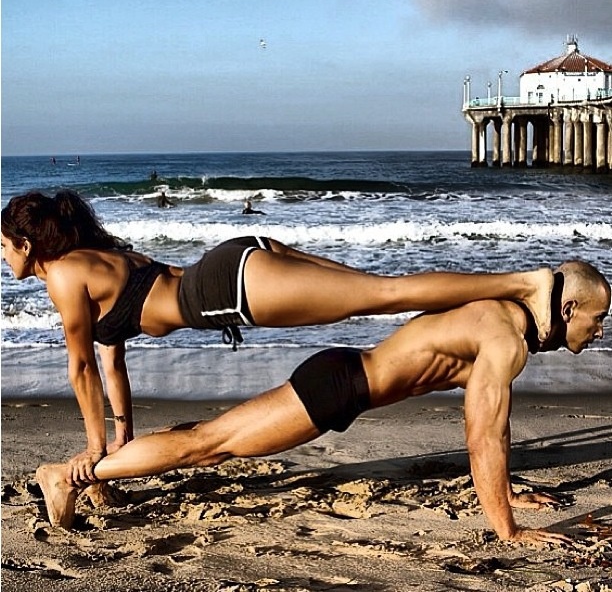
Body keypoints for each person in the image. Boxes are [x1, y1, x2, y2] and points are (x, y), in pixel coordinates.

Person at [2, 190, 555, 486]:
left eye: (4, 246)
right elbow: (110, 363)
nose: (4, 257)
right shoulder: (94, 260)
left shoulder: (66, 276)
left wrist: (95, 449)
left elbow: (80, 370)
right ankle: (489, 307)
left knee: (385, 293)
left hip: (230, 289)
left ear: (26, 245)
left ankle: (523, 282)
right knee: (379, 291)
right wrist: (118, 434)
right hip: (237, 262)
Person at [36, 260, 611, 541]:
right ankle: (69, 476)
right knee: (207, 446)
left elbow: (493, 432)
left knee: (211, 440)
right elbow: (484, 435)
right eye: (599, 317)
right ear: (566, 310)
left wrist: (509, 488)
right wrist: (506, 527)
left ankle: (92, 472)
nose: (602, 331)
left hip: (340, 377)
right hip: (335, 388)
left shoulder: (499, 316)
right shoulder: (503, 336)